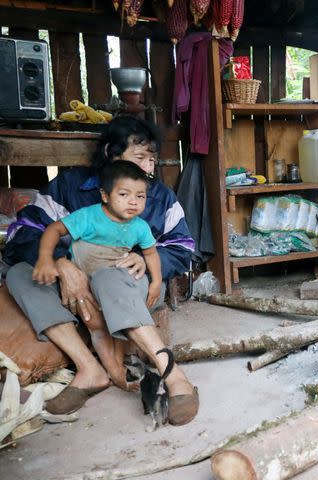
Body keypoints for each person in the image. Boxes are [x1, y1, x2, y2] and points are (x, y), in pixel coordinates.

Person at [3, 116, 199, 425]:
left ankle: (174, 376)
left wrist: (147, 261)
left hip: (130, 286)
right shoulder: (70, 187)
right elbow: (23, 230)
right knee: (19, 274)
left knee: (110, 277)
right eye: (140, 158)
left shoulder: (160, 198)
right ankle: (89, 369)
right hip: (73, 286)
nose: (148, 168)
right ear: (111, 153)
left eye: (152, 160)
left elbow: (185, 248)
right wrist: (60, 263)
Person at [32, 160, 163, 310]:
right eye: (123, 194)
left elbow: (151, 254)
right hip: (77, 281)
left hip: (110, 283)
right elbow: (54, 229)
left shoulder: (141, 227)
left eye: (140, 196)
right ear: (105, 195)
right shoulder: (88, 216)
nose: (133, 201)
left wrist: (156, 282)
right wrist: (45, 258)